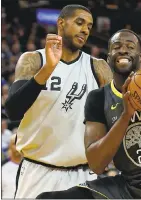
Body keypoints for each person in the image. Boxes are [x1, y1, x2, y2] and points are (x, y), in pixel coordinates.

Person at [37, 28, 141, 199]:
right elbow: (97, 165)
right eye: (117, 46)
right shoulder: (99, 98)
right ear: (108, 58)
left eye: (130, 46)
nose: (123, 50)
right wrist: (125, 116)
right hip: (125, 186)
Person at [5, 4, 112, 198]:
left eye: (89, 26)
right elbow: (13, 110)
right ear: (61, 23)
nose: (85, 30)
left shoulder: (99, 68)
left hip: (82, 174)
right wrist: (48, 70)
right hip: (37, 171)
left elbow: (113, 114)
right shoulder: (33, 60)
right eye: (80, 23)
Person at [2, 134, 22, 198]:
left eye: (19, 143)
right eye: (14, 144)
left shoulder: (30, 167)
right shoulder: (2, 167)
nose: (17, 147)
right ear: (10, 146)